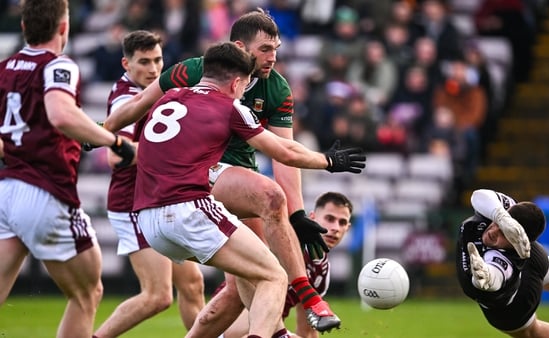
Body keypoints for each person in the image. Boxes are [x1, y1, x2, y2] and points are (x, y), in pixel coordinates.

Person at [103, 8, 347, 334]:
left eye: (276, 48)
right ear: (238, 63)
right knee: (272, 265)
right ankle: (301, 303)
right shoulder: (225, 100)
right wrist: (328, 161)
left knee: (233, 288)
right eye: (265, 49)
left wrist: (100, 134)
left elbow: (135, 110)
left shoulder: (178, 93)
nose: (273, 56)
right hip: (194, 193)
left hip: (150, 213)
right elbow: (284, 151)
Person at [0, 1, 135, 338]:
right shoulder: (58, 65)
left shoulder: (4, 68)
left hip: (6, 190)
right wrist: (113, 142)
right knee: (88, 293)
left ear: (23, 28)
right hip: (46, 191)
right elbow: (60, 113)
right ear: (63, 28)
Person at [93, 30, 205, 338]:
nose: (153, 69)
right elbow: (117, 158)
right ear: (126, 64)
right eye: (144, 62)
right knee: (158, 296)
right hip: (132, 204)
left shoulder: (153, 89)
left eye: (157, 60)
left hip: (157, 201)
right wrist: (171, 148)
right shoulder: (126, 99)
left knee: (193, 285)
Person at [457, 189, 549, 338]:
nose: (494, 231)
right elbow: (478, 195)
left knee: (532, 331)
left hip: (512, 303)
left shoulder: (507, 259)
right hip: (529, 257)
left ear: (518, 244)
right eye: (498, 225)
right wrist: (502, 218)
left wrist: (483, 276)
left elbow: (495, 276)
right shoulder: (507, 211)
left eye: (505, 234)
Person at [223, 191, 354, 338]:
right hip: (236, 329)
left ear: (347, 228)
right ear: (312, 218)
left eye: (342, 222)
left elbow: (307, 331)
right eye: (330, 219)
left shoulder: (322, 272)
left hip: (269, 331)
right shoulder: (282, 243)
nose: (335, 228)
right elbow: (238, 329)